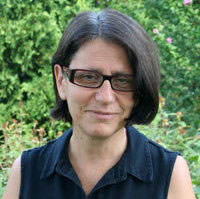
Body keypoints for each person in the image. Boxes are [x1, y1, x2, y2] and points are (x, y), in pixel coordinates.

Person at [4, 9, 195, 199]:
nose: (105, 97)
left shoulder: (170, 175)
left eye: (123, 81)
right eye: (88, 77)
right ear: (61, 81)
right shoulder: (26, 173)